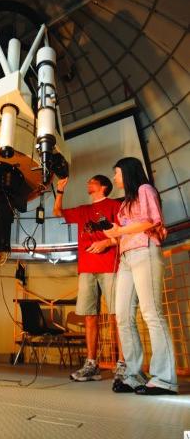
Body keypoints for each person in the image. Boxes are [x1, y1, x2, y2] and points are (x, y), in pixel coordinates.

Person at [104, 157, 178, 395]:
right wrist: (111, 233)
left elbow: (149, 221)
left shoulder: (145, 189)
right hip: (126, 257)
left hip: (145, 250)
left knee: (152, 313)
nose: (114, 178)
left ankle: (165, 379)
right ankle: (133, 375)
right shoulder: (125, 203)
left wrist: (120, 230)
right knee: (123, 317)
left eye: (116, 173)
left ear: (126, 172)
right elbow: (124, 231)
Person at [53, 174, 125, 383]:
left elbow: (123, 233)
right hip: (87, 269)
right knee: (89, 316)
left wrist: (106, 243)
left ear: (103, 187)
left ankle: (122, 364)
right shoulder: (83, 210)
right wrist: (60, 191)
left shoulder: (114, 205)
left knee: (116, 316)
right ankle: (91, 364)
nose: (88, 183)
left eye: (92, 181)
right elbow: (57, 212)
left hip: (110, 266)